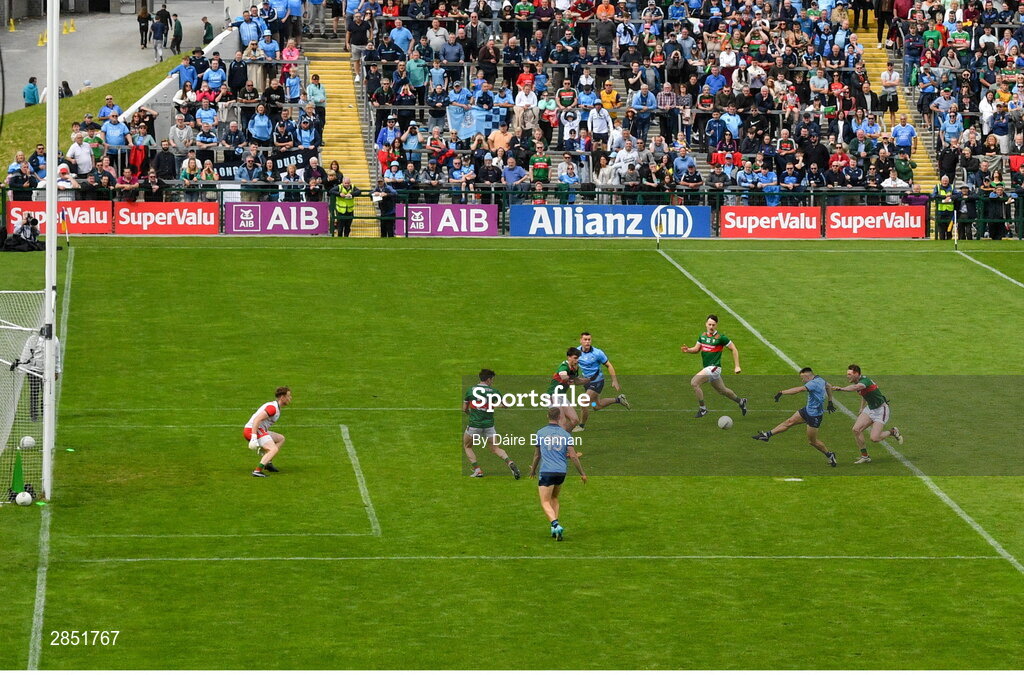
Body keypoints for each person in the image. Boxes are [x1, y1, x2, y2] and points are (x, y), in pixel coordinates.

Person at [753, 367, 838, 467]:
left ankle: (830, 455)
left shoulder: (812, 383)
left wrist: (782, 392)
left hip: (814, 416)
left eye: (803, 378)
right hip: (807, 410)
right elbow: (828, 386)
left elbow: (799, 389)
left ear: (807, 376)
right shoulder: (820, 379)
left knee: (812, 441)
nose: (802, 381)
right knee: (789, 422)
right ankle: (767, 435)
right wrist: (830, 401)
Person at [529, 407, 587, 541]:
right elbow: (573, 456)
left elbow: (537, 455)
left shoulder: (540, 433)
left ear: (547, 416)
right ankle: (554, 529)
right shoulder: (566, 434)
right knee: (554, 497)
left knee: (544, 501)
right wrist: (582, 473)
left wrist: (533, 470)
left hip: (547, 471)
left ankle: (555, 524)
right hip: (561, 472)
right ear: (560, 417)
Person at [831, 364, 903, 464]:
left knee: (874, 438)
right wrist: (861, 407)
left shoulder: (864, 381)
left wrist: (841, 389)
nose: (847, 376)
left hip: (880, 410)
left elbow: (857, 387)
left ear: (856, 373)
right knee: (856, 430)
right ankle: (865, 457)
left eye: (849, 374)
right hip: (870, 409)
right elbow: (864, 394)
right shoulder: (860, 382)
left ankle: (892, 432)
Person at [680, 314, 747, 418]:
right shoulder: (702, 336)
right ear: (706, 324)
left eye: (713, 325)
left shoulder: (721, 338)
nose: (711, 327)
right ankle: (741, 401)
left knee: (694, 382)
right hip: (708, 368)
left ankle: (703, 409)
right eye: (709, 324)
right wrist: (688, 350)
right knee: (723, 391)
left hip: (714, 368)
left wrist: (737, 366)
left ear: (716, 325)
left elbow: (734, 349)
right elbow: (697, 349)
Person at [462, 369, 521, 479]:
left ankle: (478, 470)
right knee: (495, 448)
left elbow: (464, 409)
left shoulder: (470, 390)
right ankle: (510, 462)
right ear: (488, 379)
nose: (492, 382)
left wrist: (471, 414)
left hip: (475, 425)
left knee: (467, 446)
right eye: (492, 379)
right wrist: (499, 405)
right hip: (489, 426)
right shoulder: (494, 392)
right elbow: (506, 405)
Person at [573, 332, 629, 432]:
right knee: (596, 406)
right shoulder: (577, 352)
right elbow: (573, 364)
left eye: (589, 339)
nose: (587, 342)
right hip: (587, 382)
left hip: (597, 382)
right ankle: (619, 399)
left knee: (583, 401)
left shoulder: (597, 353)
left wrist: (614, 380)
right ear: (580, 340)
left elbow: (609, 365)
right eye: (585, 339)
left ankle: (581, 426)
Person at [244, 386, 293, 477]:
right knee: (273, 449)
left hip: (258, 430)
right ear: (282, 397)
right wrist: (254, 437)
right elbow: (257, 420)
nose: (290, 398)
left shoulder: (275, 406)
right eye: (288, 396)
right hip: (253, 430)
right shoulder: (272, 408)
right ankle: (257, 471)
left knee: (280, 438)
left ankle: (268, 463)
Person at [16, 329, 62, 423]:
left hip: (47, 371)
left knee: (46, 393)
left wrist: (56, 370)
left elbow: (57, 356)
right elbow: (26, 353)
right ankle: (34, 415)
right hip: (33, 371)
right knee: (34, 392)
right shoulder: (33, 339)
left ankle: (45, 413)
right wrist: (21, 368)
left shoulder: (55, 340)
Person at [548, 347, 586, 432]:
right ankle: (561, 441)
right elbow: (563, 376)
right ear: (569, 357)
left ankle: (563, 436)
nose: (577, 360)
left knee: (575, 420)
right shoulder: (564, 366)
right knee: (562, 422)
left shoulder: (574, 368)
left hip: (561, 396)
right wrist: (571, 376)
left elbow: (576, 381)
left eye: (578, 358)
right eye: (575, 358)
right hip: (553, 395)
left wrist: (589, 380)